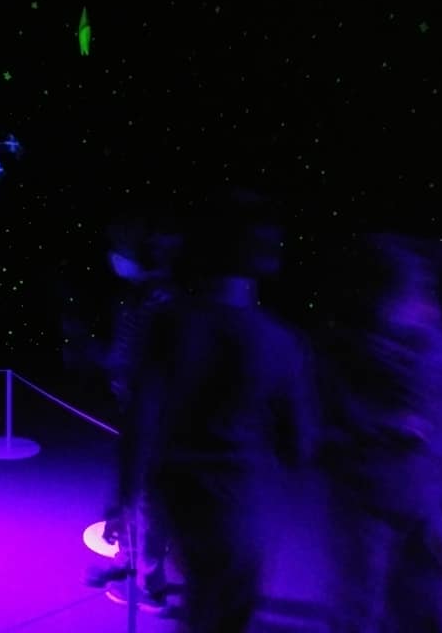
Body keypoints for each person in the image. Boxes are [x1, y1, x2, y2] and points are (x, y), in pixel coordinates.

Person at [134, 189, 316, 632]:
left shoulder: (168, 321)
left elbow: (141, 413)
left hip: (177, 487)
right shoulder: (277, 337)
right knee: (229, 608)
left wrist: (124, 490)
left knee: (203, 598)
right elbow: (299, 443)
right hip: (242, 498)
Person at [317, 234, 442, 632]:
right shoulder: (348, 352)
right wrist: (383, 426)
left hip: (426, 496)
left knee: (432, 601)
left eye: (426, 287)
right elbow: (328, 423)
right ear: (378, 293)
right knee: (362, 601)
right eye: (414, 288)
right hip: (368, 498)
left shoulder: (434, 348)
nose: (426, 300)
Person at [86, 215, 182, 613]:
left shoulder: (161, 299)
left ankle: (151, 582)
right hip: (136, 404)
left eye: (119, 250)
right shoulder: (139, 295)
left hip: (156, 409)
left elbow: (152, 358)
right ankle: (129, 561)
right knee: (132, 489)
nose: (114, 257)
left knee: (149, 496)